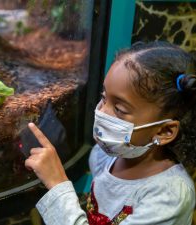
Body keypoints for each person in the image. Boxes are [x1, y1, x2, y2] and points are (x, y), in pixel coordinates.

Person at [25, 41, 196, 225]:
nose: (102, 112)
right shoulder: (105, 156)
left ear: (164, 131)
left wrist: (57, 184)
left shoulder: (169, 197)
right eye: (104, 97)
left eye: (119, 109)